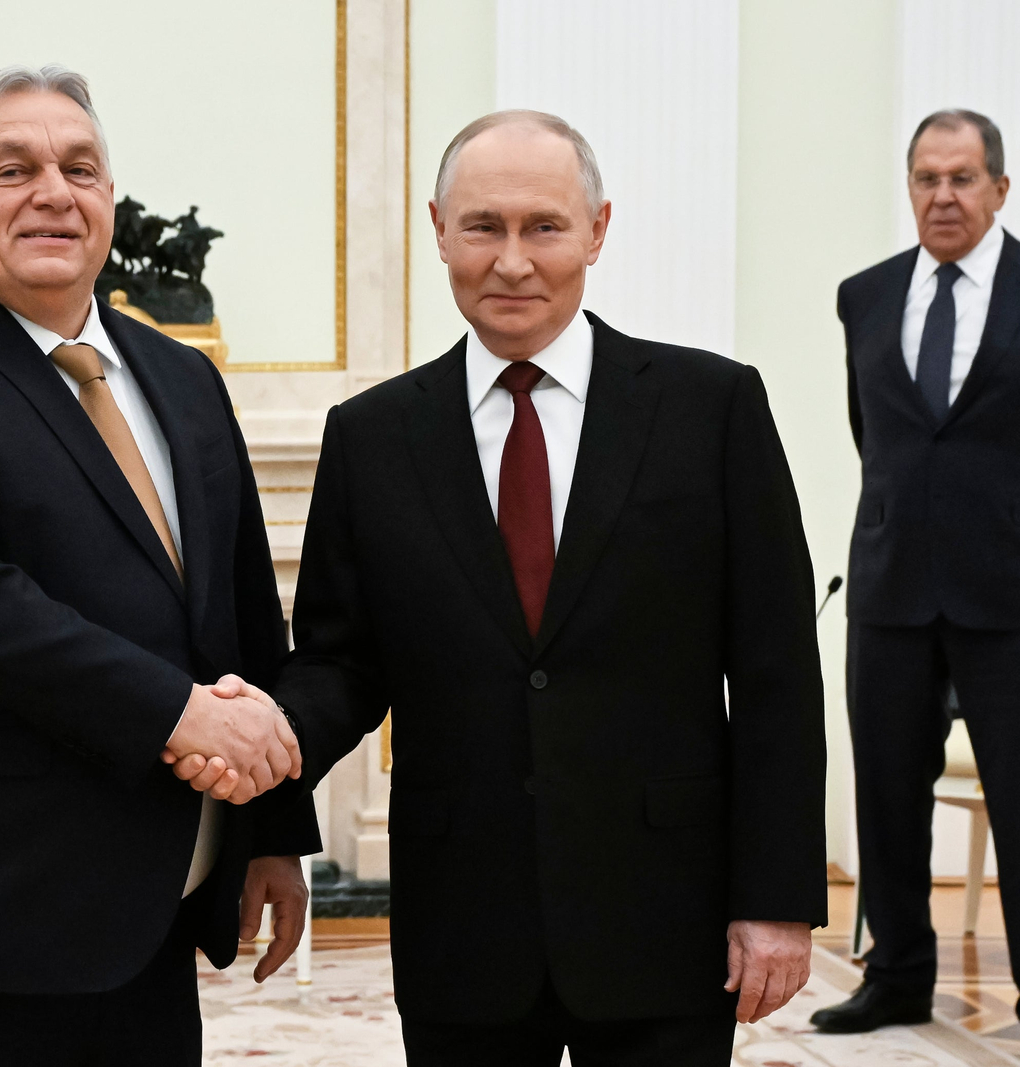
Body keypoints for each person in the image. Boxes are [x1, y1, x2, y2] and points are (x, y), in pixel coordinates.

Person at [184, 110, 829, 1064]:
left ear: (598, 230)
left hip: (664, 916)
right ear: (440, 229)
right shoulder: (373, 437)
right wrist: (262, 744)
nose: (513, 261)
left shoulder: (712, 409)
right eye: (484, 226)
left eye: (544, 226)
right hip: (464, 924)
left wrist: (775, 902)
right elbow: (339, 663)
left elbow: (777, 670)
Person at [0, 65, 318, 1066]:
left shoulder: (182, 376)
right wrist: (185, 714)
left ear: (107, 203)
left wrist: (271, 829)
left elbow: (242, 610)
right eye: (12, 168)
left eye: (80, 167)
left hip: (143, 914)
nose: (52, 191)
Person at [813, 108, 1020, 1034]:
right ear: (909, 188)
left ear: (1000, 189)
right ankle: (895, 976)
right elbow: (878, 437)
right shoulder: (864, 294)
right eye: (927, 178)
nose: (943, 195)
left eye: (963, 177)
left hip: (1010, 591)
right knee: (888, 793)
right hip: (892, 582)